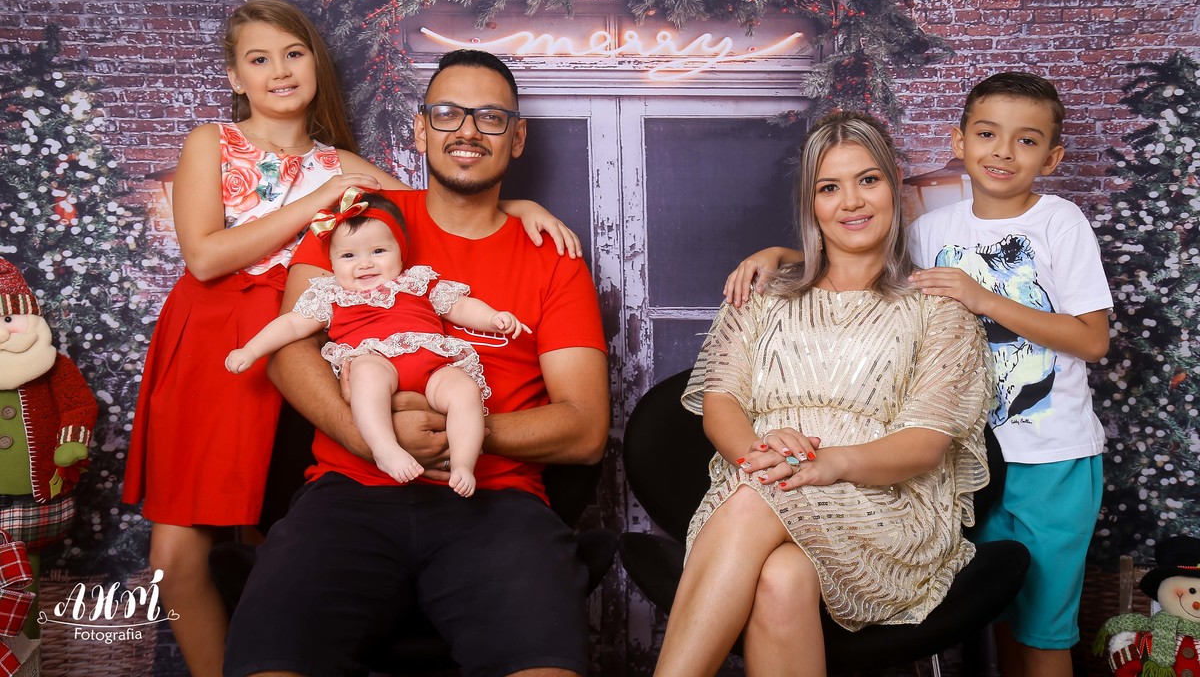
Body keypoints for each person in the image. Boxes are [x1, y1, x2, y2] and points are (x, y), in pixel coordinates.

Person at [120, 0, 579, 677]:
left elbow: (439, 204)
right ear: (236, 77)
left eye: (294, 54)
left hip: (320, 344)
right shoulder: (215, 144)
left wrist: (518, 205)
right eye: (259, 59)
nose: (280, 70)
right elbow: (205, 257)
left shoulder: (344, 164)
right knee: (179, 550)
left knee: (275, 528)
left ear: (316, 64)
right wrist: (321, 198)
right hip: (229, 339)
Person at [224, 49, 610, 677]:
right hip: (349, 494)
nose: (467, 131)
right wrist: (374, 439)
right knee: (269, 664)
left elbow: (585, 429)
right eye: (448, 113)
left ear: (517, 139)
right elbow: (288, 349)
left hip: (495, 502)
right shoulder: (359, 219)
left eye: (490, 118)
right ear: (420, 128)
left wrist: (456, 431)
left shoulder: (552, 259)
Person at [723, 75, 1112, 677]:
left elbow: (1093, 339)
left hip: (1048, 454)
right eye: (988, 134)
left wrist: (984, 299)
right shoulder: (932, 229)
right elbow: (858, 246)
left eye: (1026, 141)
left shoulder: (1060, 222)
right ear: (959, 142)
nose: (1003, 152)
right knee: (999, 612)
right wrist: (781, 256)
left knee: (1042, 630)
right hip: (964, 459)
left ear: (1052, 157)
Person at [655, 110, 991, 677]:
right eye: (829, 187)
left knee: (761, 493)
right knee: (781, 575)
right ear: (810, 204)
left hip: (886, 506)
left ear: (894, 184)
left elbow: (926, 443)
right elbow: (721, 404)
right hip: (763, 481)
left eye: (868, 180)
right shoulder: (762, 297)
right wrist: (760, 452)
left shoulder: (939, 311)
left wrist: (825, 464)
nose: (852, 202)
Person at [226, 189, 531, 497]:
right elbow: (291, 323)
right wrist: (251, 350)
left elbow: (460, 306)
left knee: (464, 390)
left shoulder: (417, 283)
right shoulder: (334, 297)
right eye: (349, 256)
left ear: (401, 251)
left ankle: (463, 463)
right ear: (331, 262)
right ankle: (384, 447)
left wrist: (493, 318)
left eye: (378, 251)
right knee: (366, 376)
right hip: (377, 361)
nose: (365, 264)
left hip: (432, 366)